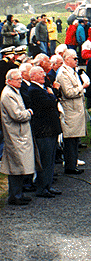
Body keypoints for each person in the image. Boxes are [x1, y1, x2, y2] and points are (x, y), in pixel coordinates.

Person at [0, 69, 35, 205]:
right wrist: (29, 113)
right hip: (15, 134)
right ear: (9, 81)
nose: (20, 81)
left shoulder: (15, 92)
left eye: (20, 79)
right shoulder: (8, 95)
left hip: (20, 133)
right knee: (16, 165)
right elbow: (17, 115)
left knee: (20, 165)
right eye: (17, 79)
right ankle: (15, 195)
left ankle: (18, 193)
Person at [28, 66, 62, 198]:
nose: (43, 75)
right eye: (40, 73)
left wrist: (52, 96)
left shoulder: (43, 89)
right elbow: (48, 104)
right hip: (44, 130)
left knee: (50, 159)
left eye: (43, 73)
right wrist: (52, 95)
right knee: (44, 159)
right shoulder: (34, 90)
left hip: (51, 129)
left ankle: (48, 185)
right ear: (33, 76)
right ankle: (42, 187)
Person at [56, 50, 88, 175]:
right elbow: (68, 93)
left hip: (76, 109)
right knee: (70, 139)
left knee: (75, 139)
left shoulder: (73, 71)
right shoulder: (63, 73)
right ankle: (70, 166)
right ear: (67, 59)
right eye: (74, 58)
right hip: (70, 109)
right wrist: (82, 87)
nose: (76, 60)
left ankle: (73, 163)